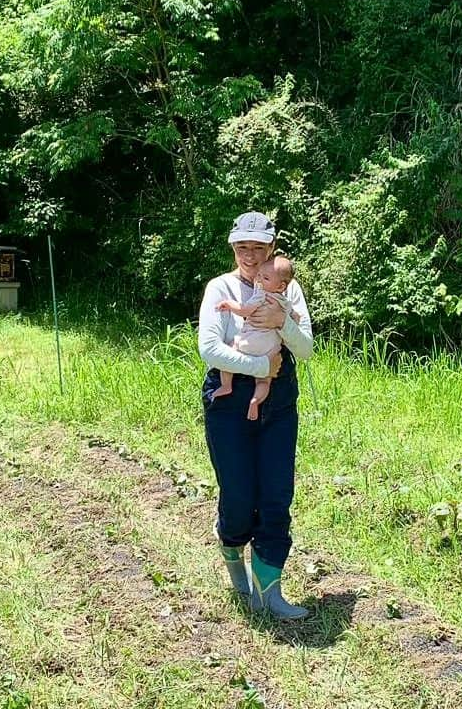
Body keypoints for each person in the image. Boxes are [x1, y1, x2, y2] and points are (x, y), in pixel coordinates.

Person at [198, 211, 313, 620]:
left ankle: (270, 592)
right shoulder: (220, 288)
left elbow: (304, 350)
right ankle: (230, 545)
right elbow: (210, 350)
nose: (250, 254)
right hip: (231, 400)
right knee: (239, 494)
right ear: (233, 247)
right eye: (242, 246)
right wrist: (262, 368)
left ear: (272, 248)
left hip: (279, 399)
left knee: (277, 494)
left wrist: (283, 322)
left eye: (258, 247)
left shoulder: (287, 287)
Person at [212, 255, 299, 421]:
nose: (259, 279)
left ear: (281, 285)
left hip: (249, 343)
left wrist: (229, 304)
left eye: (265, 278)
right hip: (271, 349)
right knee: (264, 381)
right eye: (259, 275)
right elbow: (294, 318)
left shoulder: (261, 295)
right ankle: (255, 400)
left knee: (231, 347)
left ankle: (226, 385)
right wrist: (294, 319)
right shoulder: (284, 301)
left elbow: (245, 310)